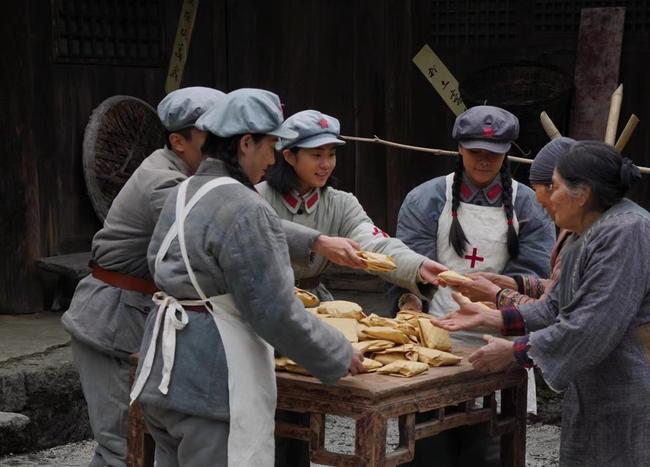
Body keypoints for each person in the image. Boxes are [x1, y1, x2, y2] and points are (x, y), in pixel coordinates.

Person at [130, 88, 364, 467]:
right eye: (270, 146)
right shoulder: (245, 206)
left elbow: (158, 261)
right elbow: (275, 311)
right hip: (212, 378)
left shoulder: (185, 190)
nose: (273, 160)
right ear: (245, 143)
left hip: (165, 374)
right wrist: (337, 352)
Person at [433, 141, 650, 466]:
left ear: (581, 193)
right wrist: (492, 318)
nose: (546, 198)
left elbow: (592, 326)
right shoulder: (585, 233)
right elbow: (555, 309)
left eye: (554, 187)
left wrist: (516, 353)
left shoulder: (628, 231)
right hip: (610, 386)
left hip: (648, 386)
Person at [62, 86, 224, 467]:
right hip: (112, 321)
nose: (225, 146)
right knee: (123, 448)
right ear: (178, 141)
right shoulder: (163, 182)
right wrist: (316, 241)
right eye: (212, 137)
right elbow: (219, 225)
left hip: (146, 321)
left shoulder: (189, 175)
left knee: (145, 446)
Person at [395, 106, 554, 467]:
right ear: (460, 150)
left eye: (494, 154)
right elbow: (407, 264)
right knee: (429, 442)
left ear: (507, 153)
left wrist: (493, 304)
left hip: (499, 337)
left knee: (491, 445)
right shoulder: (426, 198)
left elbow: (533, 272)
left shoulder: (529, 203)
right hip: (435, 336)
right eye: (476, 151)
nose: (484, 160)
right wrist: (410, 304)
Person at [257, 109, 447, 302]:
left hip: (316, 305)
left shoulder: (341, 203)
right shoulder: (256, 196)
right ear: (289, 156)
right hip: (262, 300)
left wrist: (418, 267)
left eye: (331, 154)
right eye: (316, 155)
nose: (326, 164)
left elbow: (376, 245)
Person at [447, 137, 576, 308]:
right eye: (475, 151)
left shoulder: (602, 238)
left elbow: (553, 312)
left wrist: (497, 296)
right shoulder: (575, 234)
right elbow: (558, 291)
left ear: (558, 188)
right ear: (460, 149)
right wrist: (510, 284)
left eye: (537, 190)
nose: (537, 200)